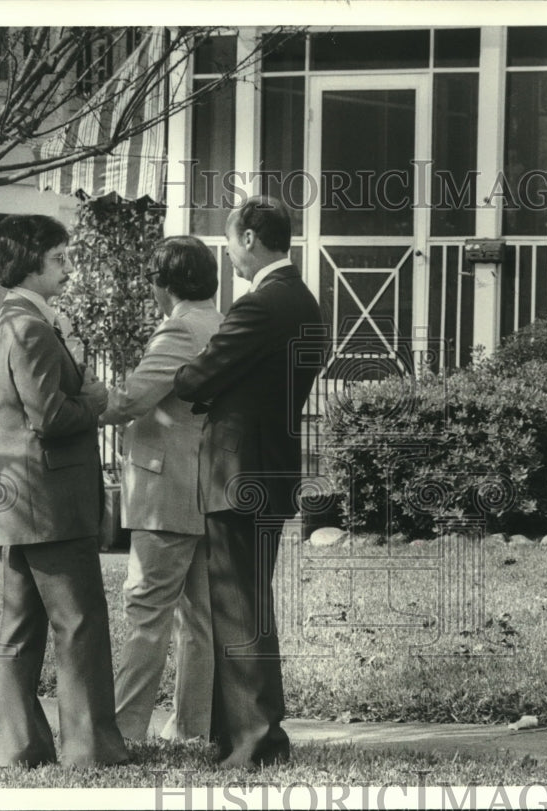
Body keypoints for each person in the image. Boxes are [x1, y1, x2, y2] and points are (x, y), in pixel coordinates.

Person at [173, 196, 325, 768]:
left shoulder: (259, 305)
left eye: (232, 240)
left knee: (236, 608)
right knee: (248, 606)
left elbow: (198, 377)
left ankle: (255, 740)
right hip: (273, 468)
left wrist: (193, 378)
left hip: (237, 474)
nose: (230, 251)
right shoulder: (304, 302)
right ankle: (244, 733)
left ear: (254, 238)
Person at [0, 215, 128, 768]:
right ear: (30, 263)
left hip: (23, 499)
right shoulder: (30, 326)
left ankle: (19, 747)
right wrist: (92, 399)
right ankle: (91, 751)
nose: (70, 269)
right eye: (61, 259)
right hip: (50, 502)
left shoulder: (11, 321)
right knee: (81, 623)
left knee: (20, 630)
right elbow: (50, 415)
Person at [99, 236, 224, 742]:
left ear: (164, 284)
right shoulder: (219, 323)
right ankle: (192, 727)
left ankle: (124, 731)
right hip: (204, 489)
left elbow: (130, 400)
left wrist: (78, 401)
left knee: (146, 614)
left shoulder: (179, 329)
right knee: (198, 619)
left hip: (164, 493)